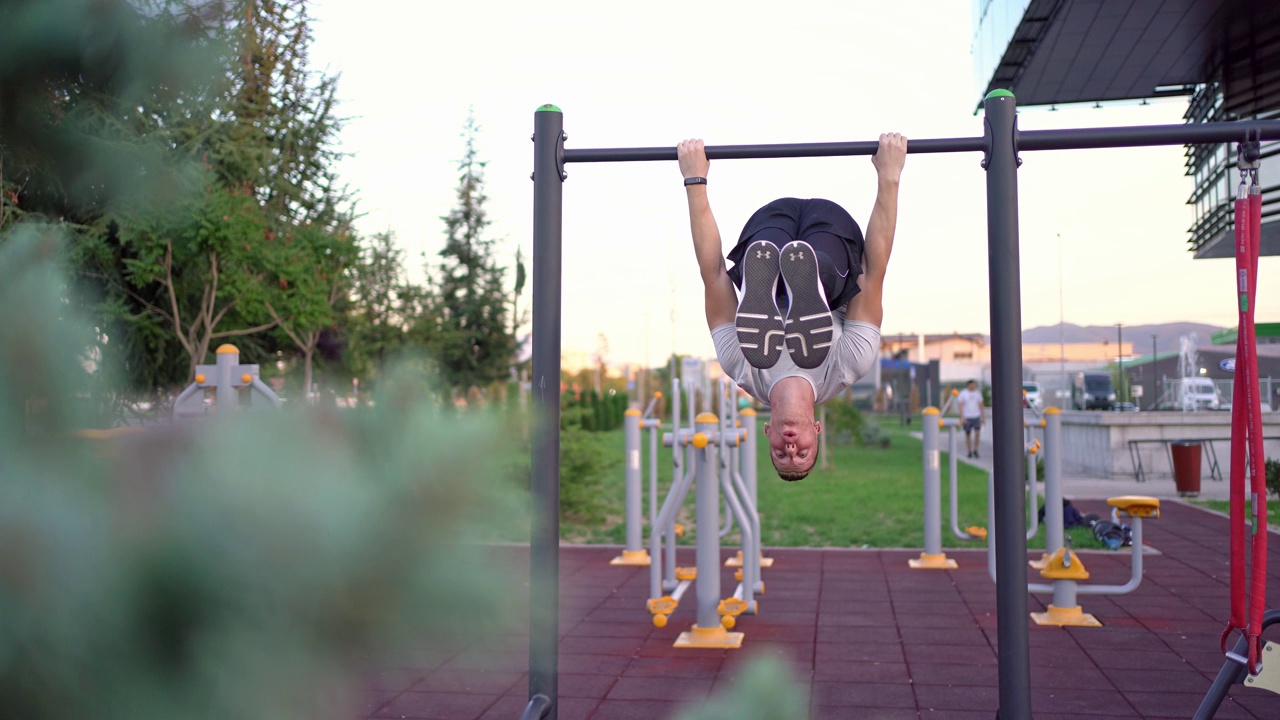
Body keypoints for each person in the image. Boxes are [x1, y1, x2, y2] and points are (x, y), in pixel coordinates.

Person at [677, 133, 907, 481]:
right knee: (825, 269)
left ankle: (773, 279)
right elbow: (874, 272)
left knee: (765, 254)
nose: (791, 446)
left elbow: (712, 276)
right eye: (802, 452)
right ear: (817, 430)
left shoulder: (742, 367)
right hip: (832, 237)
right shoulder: (847, 366)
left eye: (781, 453)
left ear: (767, 432)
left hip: (768, 227)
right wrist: (889, 175)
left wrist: (695, 180)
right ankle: (807, 278)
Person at [956, 379, 985, 458]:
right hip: (967, 416)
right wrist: (962, 417)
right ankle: (969, 451)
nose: (974, 386)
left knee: (977, 433)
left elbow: (981, 405)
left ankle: (976, 449)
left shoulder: (977, 394)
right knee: (968, 434)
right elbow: (960, 405)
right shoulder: (963, 394)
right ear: (969, 385)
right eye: (973, 384)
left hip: (976, 415)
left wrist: (983, 417)